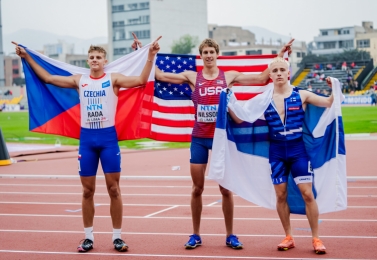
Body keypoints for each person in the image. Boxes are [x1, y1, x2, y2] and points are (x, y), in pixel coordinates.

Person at [132, 36, 294, 249]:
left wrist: (280, 55)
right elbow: (160, 75)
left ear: (218, 54)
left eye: (212, 52)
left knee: (226, 190)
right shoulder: (192, 76)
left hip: (221, 140)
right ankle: (195, 234)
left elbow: (263, 78)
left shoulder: (228, 77)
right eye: (205, 52)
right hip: (199, 138)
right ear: (201, 56)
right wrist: (145, 53)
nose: (209, 55)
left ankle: (230, 235)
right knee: (196, 189)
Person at [13, 37, 161, 253]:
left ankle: (117, 237)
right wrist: (27, 56)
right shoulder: (79, 80)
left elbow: (140, 80)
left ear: (105, 60)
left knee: (114, 189)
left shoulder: (113, 79)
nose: (94, 60)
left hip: (108, 139)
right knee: (87, 191)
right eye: (91, 57)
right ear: (87, 61)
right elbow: (47, 78)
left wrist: (150, 56)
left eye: (98, 57)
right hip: (87, 140)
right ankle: (88, 237)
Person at [228, 57, 333, 254]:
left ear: (288, 73)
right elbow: (240, 117)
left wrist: (333, 87)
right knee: (280, 194)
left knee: (307, 194)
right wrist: (227, 101)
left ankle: (316, 238)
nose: (277, 73)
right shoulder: (264, 99)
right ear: (270, 75)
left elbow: (329, 102)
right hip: (276, 152)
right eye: (274, 70)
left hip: (297, 150)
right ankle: (288, 236)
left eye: (281, 69)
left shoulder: (301, 95)